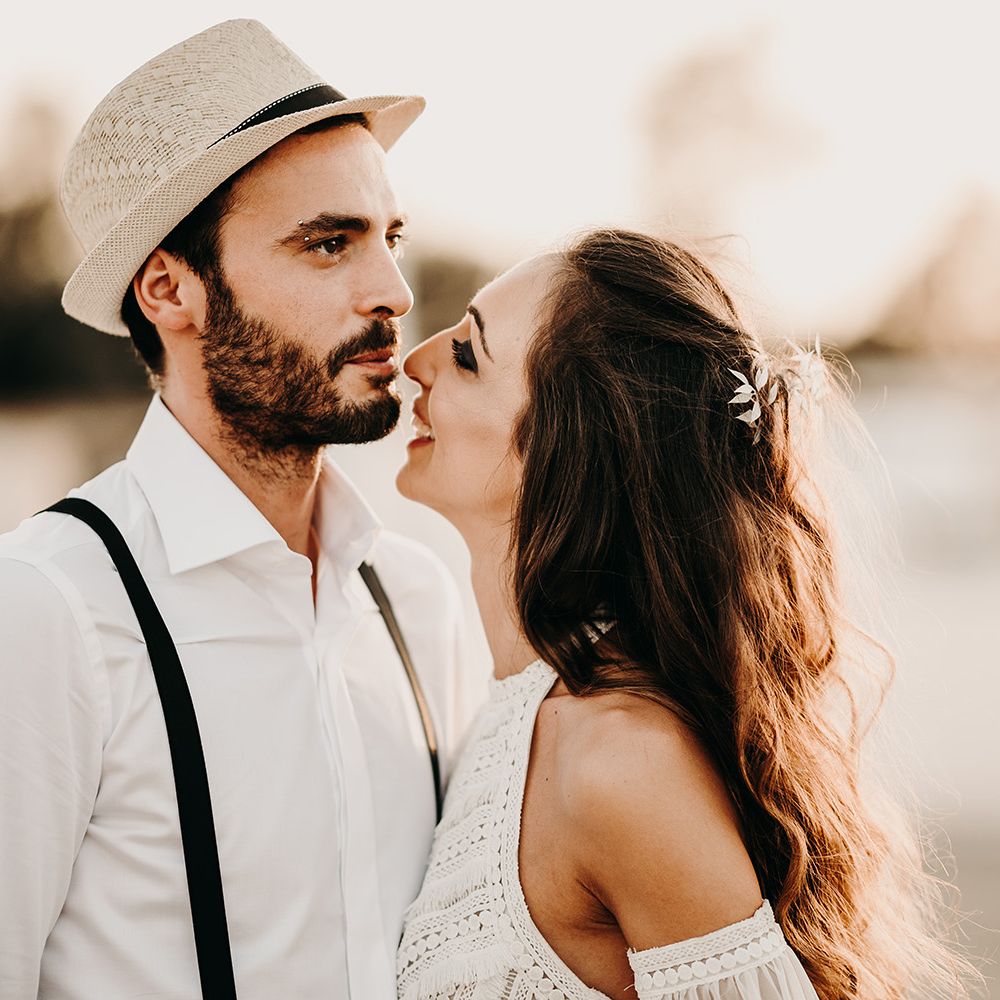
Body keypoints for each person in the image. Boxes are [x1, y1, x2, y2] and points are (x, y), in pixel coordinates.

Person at [0, 19, 474, 1000]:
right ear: (171, 289)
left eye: (388, 239)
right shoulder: (48, 606)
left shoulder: (417, 598)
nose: (390, 290)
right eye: (327, 244)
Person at [394, 230, 975, 1000]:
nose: (415, 360)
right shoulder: (517, 711)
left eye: (467, 354)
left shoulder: (618, 761)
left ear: (570, 448)